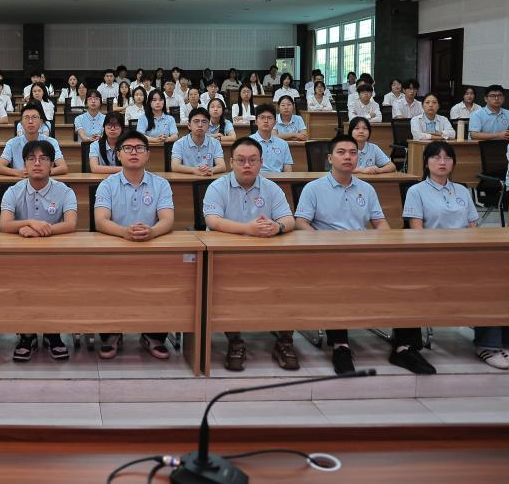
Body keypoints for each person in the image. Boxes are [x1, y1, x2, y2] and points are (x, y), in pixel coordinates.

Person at [295, 134, 393, 375]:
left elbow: (380, 222)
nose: (348, 157)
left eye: (353, 153)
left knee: (403, 273)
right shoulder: (313, 188)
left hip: (362, 252)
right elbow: (301, 222)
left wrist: (386, 243)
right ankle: (341, 345)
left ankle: (405, 346)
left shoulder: (367, 189)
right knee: (336, 281)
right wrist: (322, 243)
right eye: (341, 152)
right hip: (328, 255)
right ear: (330, 158)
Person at [203, 137, 298, 371]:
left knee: (291, 278)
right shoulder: (217, 187)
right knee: (227, 287)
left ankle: (285, 340)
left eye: (253, 160)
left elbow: (289, 219)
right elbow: (212, 220)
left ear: (261, 162)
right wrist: (247, 229)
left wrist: (278, 227)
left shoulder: (271, 188)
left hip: (266, 256)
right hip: (227, 257)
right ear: (231, 162)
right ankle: (235, 340)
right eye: (241, 160)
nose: (247, 165)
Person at [93, 130, 175, 360]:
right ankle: (112, 334)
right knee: (106, 282)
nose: (134, 152)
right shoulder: (107, 185)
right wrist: (124, 233)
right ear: (118, 155)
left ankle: (154, 336)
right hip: (116, 250)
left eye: (139, 148)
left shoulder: (161, 184)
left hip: (152, 250)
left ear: (148, 154)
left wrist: (152, 232)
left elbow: (167, 219)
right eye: (127, 148)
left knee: (165, 280)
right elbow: (100, 221)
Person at [402, 142, 484, 370]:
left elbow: (473, 227)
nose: (442, 162)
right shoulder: (416, 191)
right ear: (426, 162)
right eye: (436, 157)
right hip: (433, 256)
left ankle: (494, 343)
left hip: (464, 255)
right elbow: (416, 232)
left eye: (447, 158)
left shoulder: (462, 191)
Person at [0, 139, 78, 362]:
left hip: (55, 255)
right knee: (22, 286)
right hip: (20, 256)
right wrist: (31, 222)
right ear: (24, 164)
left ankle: (53, 334)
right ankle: (27, 335)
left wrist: (41, 231)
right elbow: (4, 224)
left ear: (52, 165)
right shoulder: (13, 191)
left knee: (54, 286)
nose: (37, 163)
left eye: (43, 159)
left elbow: (71, 224)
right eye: (31, 159)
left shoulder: (65, 191)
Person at [0, 103, 68, 177]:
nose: (30, 121)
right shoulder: (12, 143)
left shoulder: (51, 142)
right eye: (26, 118)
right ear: (21, 123)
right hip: (21, 181)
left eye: (34, 117)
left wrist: (41, 172)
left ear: (41, 122)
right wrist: (18, 173)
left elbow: (63, 167)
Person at [170, 107, 226, 177]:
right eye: (196, 121)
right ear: (189, 125)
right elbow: (175, 166)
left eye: (204, 122)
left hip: (208, 179)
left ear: (208, 126)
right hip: (187, 179)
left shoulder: (215, 143)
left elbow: (222, 166)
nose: (200, 125)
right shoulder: (179, 144)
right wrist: (194, 170)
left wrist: (210, 170)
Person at [250, 104, 292, 174]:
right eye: (262, 117)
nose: (266, 121)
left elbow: (288, 171)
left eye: (269, 118)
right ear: (256, 121)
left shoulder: (283, 144)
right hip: (256, 179)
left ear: (275, 123)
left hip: (278, 179)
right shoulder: (248, 142)